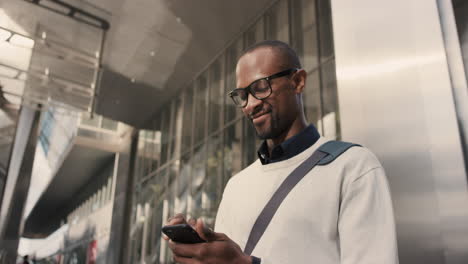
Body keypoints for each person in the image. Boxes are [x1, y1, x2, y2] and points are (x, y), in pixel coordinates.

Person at [164, 40, 399, 264]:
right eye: (243, 96)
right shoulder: (236, 185)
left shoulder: (353, 166)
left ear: (298, 82)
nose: (250, 105)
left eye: (261, 87)